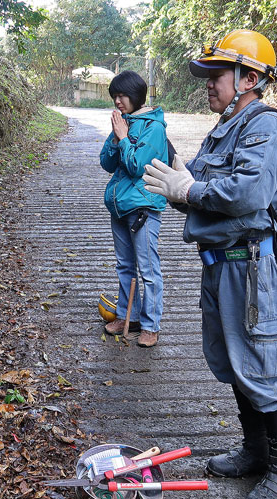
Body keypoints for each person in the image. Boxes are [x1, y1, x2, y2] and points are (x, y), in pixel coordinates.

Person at [142, 30, 277, 499]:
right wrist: (176, 182)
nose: (208, 85)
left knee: (264, 370)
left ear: (249, 78)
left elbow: (249, 194)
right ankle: (255, 452)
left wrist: (188, 191)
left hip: (252, 269)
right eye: (208, 76)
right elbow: (194, 187)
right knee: (235, 365)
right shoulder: (224, 127)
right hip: (219, 267)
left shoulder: (266, 127)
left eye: (218, 76)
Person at [99, 70, 168, 348]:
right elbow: (106, 162)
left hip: (144, 208)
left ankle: (151, 326)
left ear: (136, 96)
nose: (117, 101)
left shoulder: (154, 128)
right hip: (120, 206)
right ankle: (130, 315)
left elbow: (138, 166)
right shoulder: (123, 123)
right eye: (114, 96)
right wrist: (117, 139)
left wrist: (124, 138)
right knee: (125, 266)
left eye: (122, 95)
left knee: (148, 268)